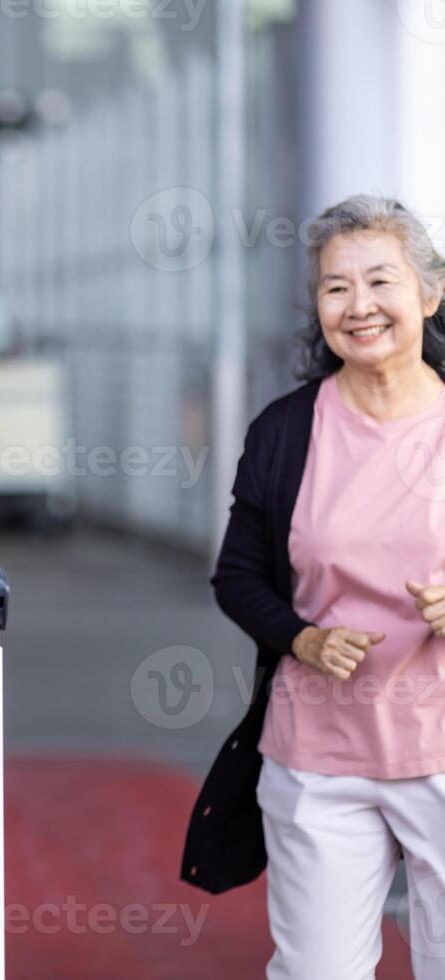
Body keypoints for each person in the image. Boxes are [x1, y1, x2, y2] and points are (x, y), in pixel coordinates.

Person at [183, 195, 445, 978]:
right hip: (320, 755)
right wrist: (303, 637)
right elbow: (236, 575)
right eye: (335, 288)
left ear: (429, 294)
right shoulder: (286, 430)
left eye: (380, 282)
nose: (359, 306)